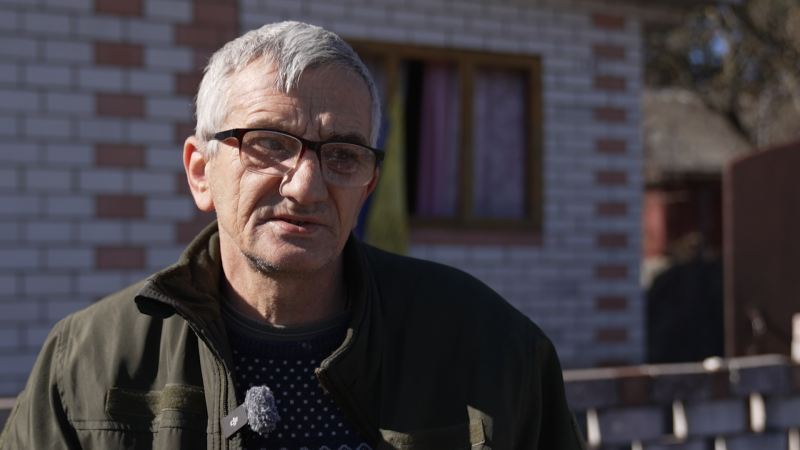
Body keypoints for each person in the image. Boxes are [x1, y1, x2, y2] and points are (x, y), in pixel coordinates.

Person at [0, 21, 585, 450]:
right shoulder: (88, 361)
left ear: (368, 184)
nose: (306, 187)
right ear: (201, 172)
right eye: (269, 144)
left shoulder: (493, 348)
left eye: (343, 153)